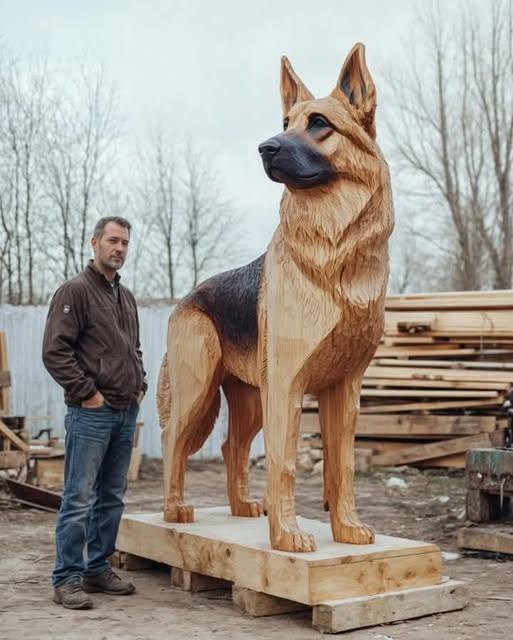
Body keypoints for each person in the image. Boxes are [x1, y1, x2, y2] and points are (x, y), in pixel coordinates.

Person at [42, 216, 147, 610]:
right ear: (95, 243)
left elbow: (132, 349)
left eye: (124, 243)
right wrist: (87, 394)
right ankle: (66, 578)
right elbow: (55, 352)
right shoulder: (75, 292)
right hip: (91, 415)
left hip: (124, 412)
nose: (119, 249)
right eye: (113, 241)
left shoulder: (126, 296)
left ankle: (96, 567)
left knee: (112, 498)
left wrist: (140, 385)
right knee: (79, 497)